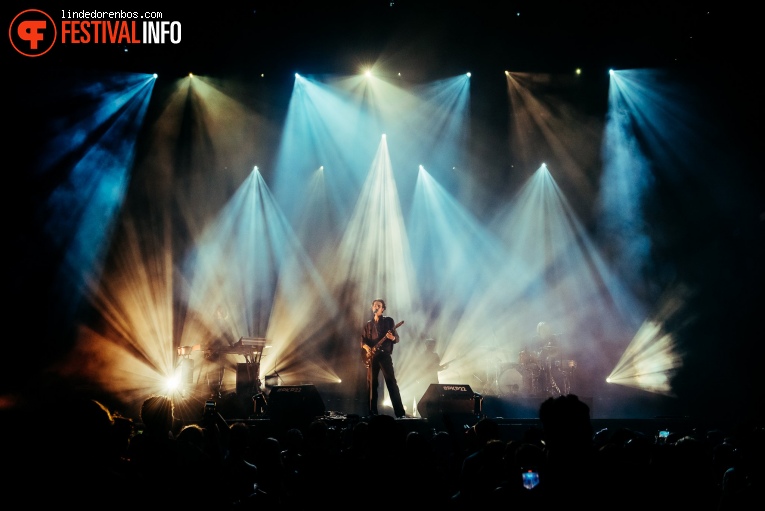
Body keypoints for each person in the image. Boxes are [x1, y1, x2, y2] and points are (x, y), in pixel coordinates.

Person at [360, 298, 407, 418]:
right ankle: (372, 413)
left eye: (378, 305)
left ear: (383, 308)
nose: (376, 306)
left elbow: (396, 338)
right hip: (372, 357)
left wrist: (391, 338)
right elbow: (363, 341)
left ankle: (400, 413)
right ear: (372, 308)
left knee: (391, 382)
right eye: (374, 305)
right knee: (371, 385)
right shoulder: (368, 324)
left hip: (384, 356)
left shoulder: (389, 321)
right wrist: (367, 348)